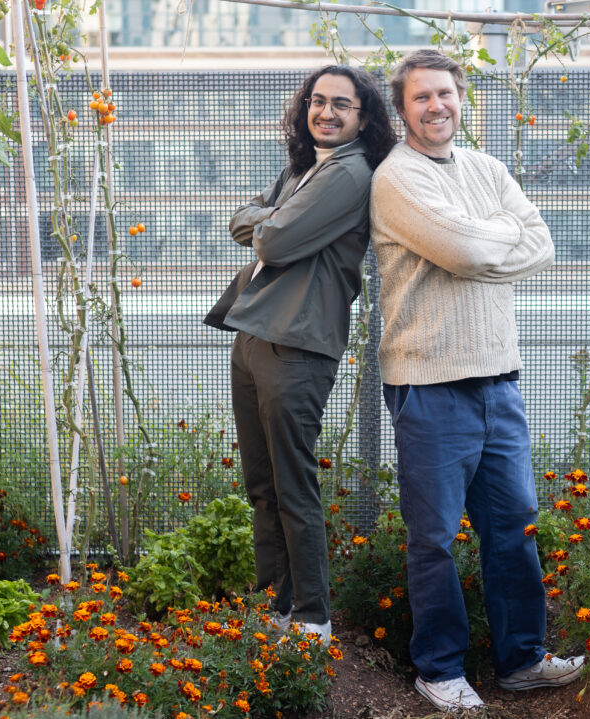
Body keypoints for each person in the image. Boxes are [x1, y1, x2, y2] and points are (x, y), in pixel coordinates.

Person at [370, 49, 584, 711]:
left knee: (514, 525)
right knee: (434, 535)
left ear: (461, 98)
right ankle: (438, 668)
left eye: (445, 93)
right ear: (403, 109)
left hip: (499, 380)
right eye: (421, 97)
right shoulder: (397, 177)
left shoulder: (487, 169)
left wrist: (478, 243)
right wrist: (492, 241)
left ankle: (521, 659)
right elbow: (464, 250)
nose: (436, 106)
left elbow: (541, 244)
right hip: (430, 384)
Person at [204, 66, 396, 642]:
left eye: (342, 103)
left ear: (364, 117)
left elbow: (272, 239)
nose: (326, 112)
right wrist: (270, 221)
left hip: (298, 345)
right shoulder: (304, 165)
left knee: (293, 486)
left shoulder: (350, 172)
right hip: (254, 335)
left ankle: (313, 618)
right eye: (317, 100)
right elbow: (243, 219)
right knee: (262, 486)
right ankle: (275, 607)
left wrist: (270, 225)